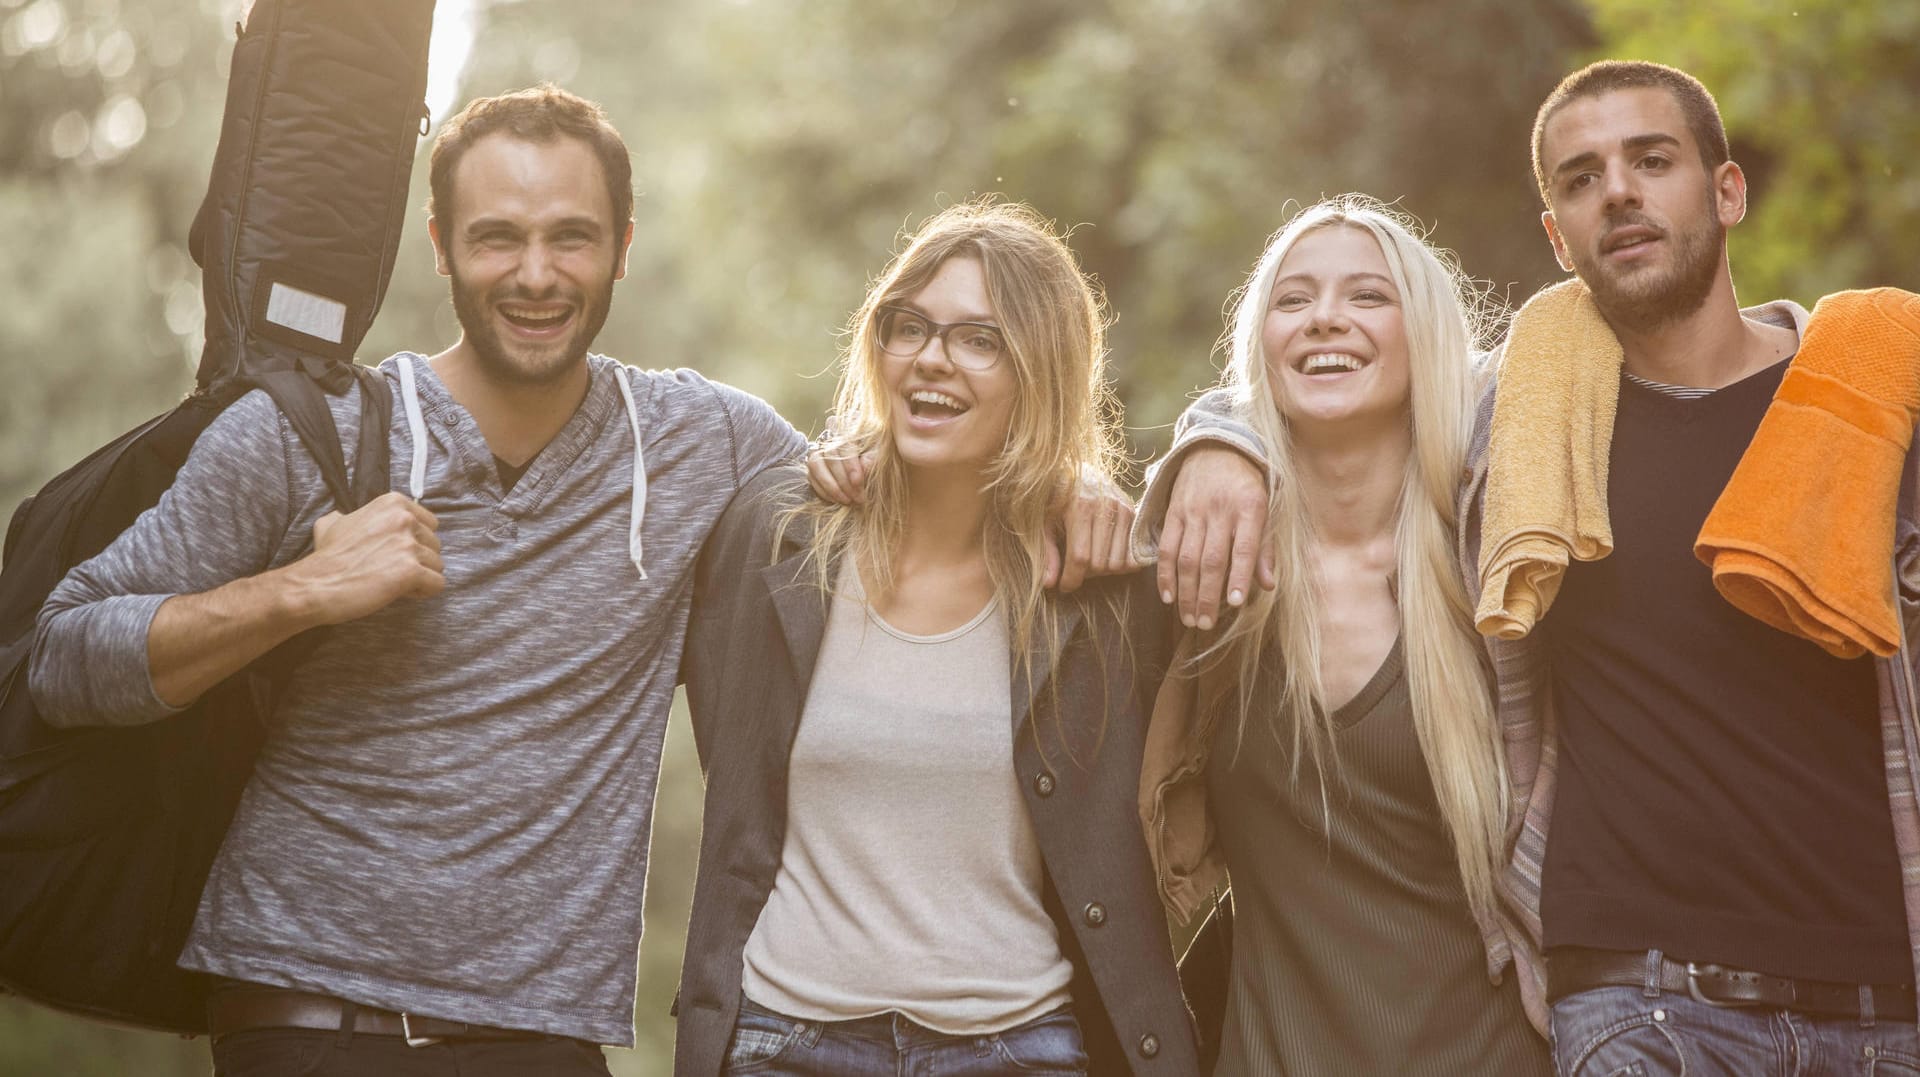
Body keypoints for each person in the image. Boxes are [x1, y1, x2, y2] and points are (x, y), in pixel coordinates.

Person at [1151, 62, 1920, 1077]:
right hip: (1638, 1011)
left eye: (1652, 160)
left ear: (1728, 191)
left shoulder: (1873, 411)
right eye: (1582, 177)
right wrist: (1217, 442)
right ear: (1557, 235)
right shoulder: (1522, 432)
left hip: (1881, 1002)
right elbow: (1345, 395)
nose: (1620, 192)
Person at [27, 85, 808, 1075]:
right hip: (309, 1019)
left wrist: (1068, 491)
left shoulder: (705, 440)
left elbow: (896, 495)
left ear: (622, 242)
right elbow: (61, 657)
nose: (535, 275)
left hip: (545, 1039)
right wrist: (297, 592)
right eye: (497, 239)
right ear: (439, 244)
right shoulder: (311, 434)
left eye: (571, 237)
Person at [673, 199, 1199, 1077]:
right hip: (785, 1042)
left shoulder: (1101, 586)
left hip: (1019, 1047)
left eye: (978, 339)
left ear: (1042, 371)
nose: (929, 358)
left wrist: (1151, 464)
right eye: (907, 325)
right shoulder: (777, 537)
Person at [1136, 196, 1548, 1074]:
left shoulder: (1499, 568)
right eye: (1294, 299)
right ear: (1262, 347)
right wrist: (1211, 438)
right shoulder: (1209, 579)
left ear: (1426, 336)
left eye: (1368, 296)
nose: (1326, 316)